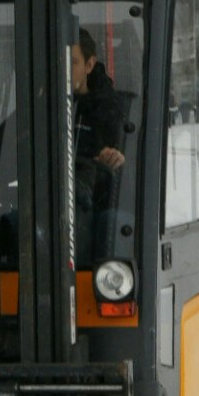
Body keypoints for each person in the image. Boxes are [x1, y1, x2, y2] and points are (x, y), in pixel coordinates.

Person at [72, 27, 129, 263]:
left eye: (72, 62)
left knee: (111, 224)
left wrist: (117, 159)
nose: (64, 70)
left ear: (89, 64)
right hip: (48, 202)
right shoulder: (38, 108)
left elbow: (128, 158)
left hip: (95, 203)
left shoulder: (110, 110)